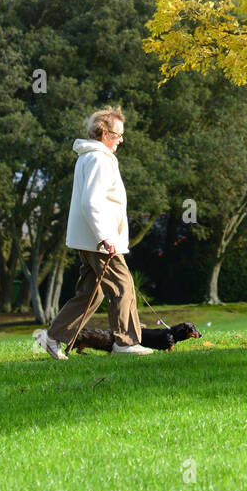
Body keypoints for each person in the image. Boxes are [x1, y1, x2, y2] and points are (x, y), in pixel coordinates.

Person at [37, 107, 153, 359]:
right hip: (100, 241)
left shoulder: (89, 158)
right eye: (117, 134)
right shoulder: (99, 159)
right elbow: (91, 202)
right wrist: (105, 236)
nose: (121, 139)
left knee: (91, 294)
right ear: (103, 133)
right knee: (123, 287)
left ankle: (52, 337)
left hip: (91, 239)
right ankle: (126, 343)